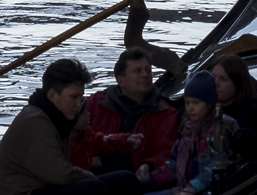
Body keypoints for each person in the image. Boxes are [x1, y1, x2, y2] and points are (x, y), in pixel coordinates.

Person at [0, 58, 140, 195]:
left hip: (42, 189)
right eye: (74, 97)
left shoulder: (56, 118)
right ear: (53, 96)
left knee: (127, 181)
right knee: (92, 189)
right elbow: (60, 174)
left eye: (81, 96)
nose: (79, 104)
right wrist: (91, 178)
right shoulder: (36, 121)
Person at [137, 70, 237, 195]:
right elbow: (173, 164)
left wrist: (191, 189)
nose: (190, 108)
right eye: (187, 102)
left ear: (209, 104)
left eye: (196, 103)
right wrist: (147, 180)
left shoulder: (218, 130)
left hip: (204, 190)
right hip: (183, 186)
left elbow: (213, 168)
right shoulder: (187, 129)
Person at [70, 47, 178, 177]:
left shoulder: (166, 113)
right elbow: (74, 136)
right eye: (137, 71)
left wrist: (148, 165)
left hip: (137, 180)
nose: (145, 75)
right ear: (120, 80)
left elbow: (167, 150)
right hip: (93, 175)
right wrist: (87, 158)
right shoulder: (95, 104)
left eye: (148, 70)